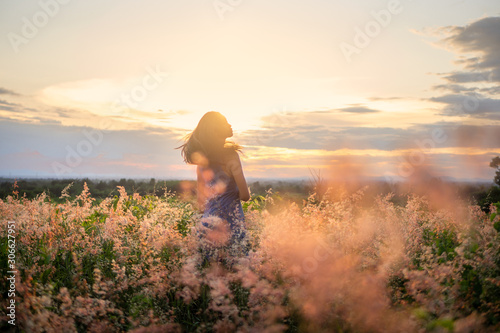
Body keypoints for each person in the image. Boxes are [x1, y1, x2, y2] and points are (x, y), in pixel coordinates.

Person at [178, 111, 251, 263]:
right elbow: (245, 196)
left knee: (211, 275)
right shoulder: (231, 156)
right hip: (232, 224)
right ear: (216, 129)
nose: (230, 125)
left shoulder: (202, 162)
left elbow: (200, 204)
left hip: (207, 225)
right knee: (236, 275)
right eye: (225, 122)